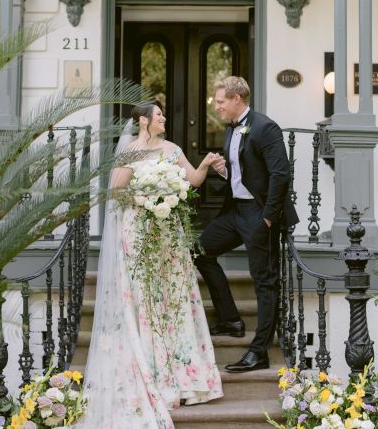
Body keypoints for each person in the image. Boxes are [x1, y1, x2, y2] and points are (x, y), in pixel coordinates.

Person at [80, 102, 223, 429]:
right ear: (144, 121)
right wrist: (146, 198)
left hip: (168, 235)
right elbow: (115, 190)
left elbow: (193, 181)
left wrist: (203, 165)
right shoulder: (130, 152)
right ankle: (150, 368)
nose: (163, 119)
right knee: (144, 298)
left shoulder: (173, 149)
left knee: (173, 300)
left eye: (162, 114)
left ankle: (184, 374)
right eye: (158, 115)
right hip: (139, 231)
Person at [194, 76, 299, 373]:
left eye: (220, 101)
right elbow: (244, 172)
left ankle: (259, 351)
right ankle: (231, 319)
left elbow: (280, 173)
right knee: (198, 250)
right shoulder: (231, 129)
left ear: (237, 99)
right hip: (235, 211)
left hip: (258, 212)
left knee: (265, 281)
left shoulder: (265, 127)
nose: (217, 107)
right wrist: (224, 170)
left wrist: (268, 216)